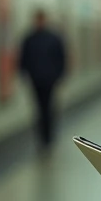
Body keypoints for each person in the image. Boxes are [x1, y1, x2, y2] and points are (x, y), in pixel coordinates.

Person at [18, 9, 66, 148]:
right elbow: (23, 59)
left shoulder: (53, 38)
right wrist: (25, 74)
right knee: (39, 109)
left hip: (50, 79)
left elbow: (61, 58)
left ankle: (49, 136)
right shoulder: (29, 39)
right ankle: (42, 137)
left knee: (48, 107)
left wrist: (59, 75)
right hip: (36, 79)